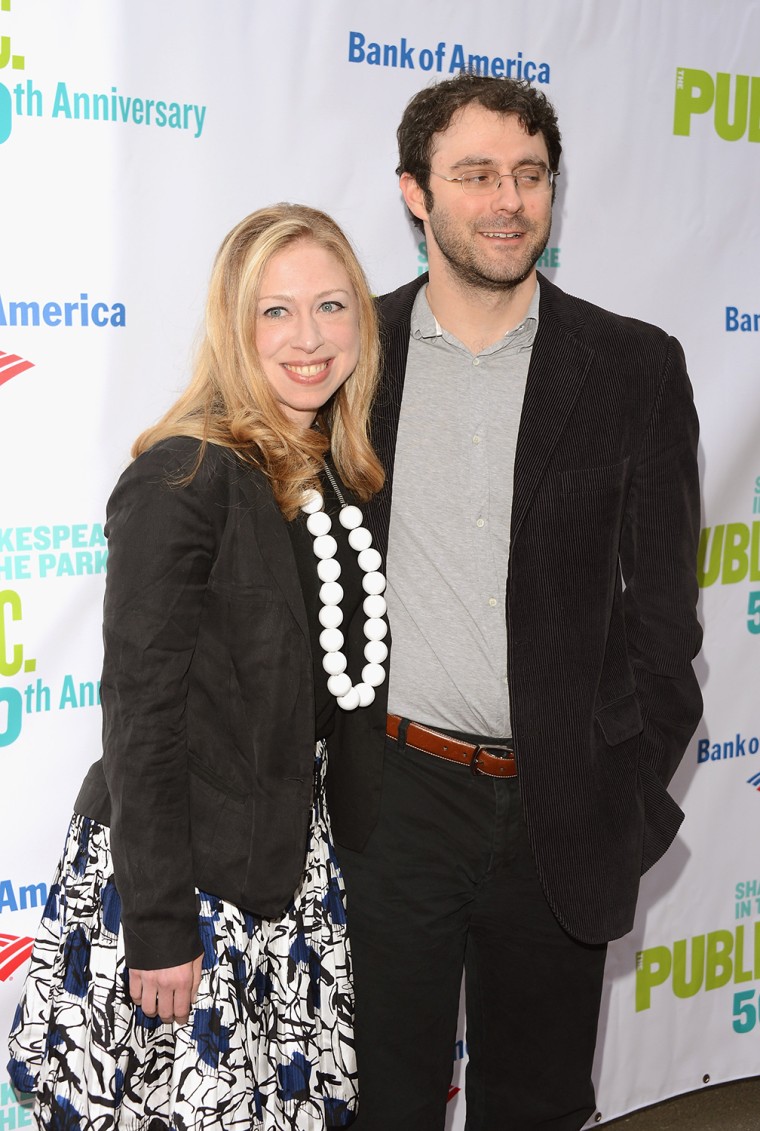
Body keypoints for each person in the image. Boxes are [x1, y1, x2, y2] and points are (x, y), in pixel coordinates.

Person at [324, 73, 703, 1130]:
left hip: (561, 814)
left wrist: (620, 809)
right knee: (379, 1104)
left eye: (530, 175)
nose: (507, 201)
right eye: (476, 174)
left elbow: (667, 627)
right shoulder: (351, 357)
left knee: (533, 1108)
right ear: (414, 192)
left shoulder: (631, 366)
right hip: (392, 802)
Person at [7, 203, 387, 1131]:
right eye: (277, 311)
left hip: (284, 877)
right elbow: (141, 721)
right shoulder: (183, 478)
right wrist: (163, 927)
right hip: (188, 887)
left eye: (332, 306)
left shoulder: (326, 473)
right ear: (232, 325)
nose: (309, 338)